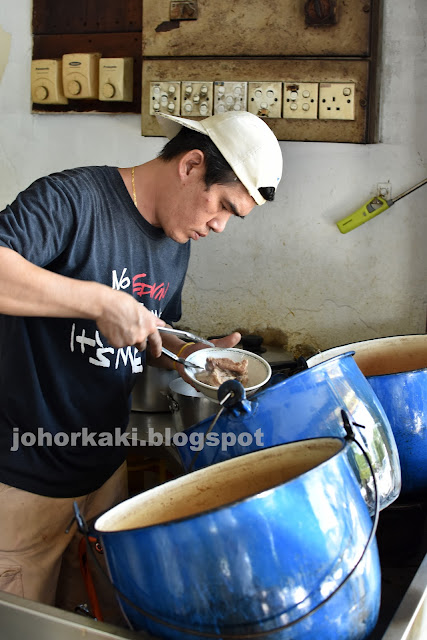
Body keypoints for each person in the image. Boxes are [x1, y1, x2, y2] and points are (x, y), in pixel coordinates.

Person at [0, 110, 283, 621]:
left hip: (104, 468)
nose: (219, 225)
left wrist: (190, 355)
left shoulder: (175, 241)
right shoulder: (72, 200)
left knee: (100, 618)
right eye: (222, 206)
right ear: (191, 164)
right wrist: (98, 302)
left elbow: (150, 330)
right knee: (24, 624)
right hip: (25, 474)